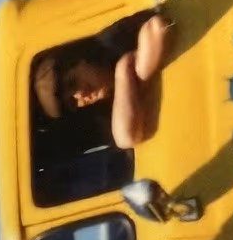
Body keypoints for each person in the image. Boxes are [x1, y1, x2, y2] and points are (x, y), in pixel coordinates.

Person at [30, 11, 171, 151]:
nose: (81, 94)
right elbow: (126, 137)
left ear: (78, 61)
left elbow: (158, 27)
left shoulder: (113, 41)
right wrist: (128, 76)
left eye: (73, 83)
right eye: (73, 102)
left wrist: (128, 71)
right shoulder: (107, 112)